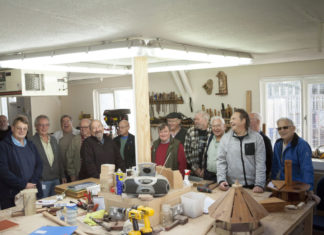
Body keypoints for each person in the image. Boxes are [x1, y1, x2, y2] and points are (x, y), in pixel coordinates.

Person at [217, 109, 266, 193]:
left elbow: (260, 163)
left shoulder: (257, 138)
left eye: (234, 118)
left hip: (252, 187)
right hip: (232, 186)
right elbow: (221, 161)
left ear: (243, 120)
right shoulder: (225, 139)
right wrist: (221, 180)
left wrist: (259, 184)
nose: (231, 121)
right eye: (231, 119)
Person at [0, 115, 43, 209]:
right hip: (12, 195)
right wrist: (23, 184)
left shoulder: (31, 145)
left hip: (32, 191)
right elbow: (3, 171)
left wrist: (32, 182)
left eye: (25, 128)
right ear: (12, 128)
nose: (22, 131)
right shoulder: (3, 146)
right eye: (19, 128)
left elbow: (39, 164)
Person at [271, 117, 314, 190]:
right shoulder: (278, 144)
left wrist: (308, 190)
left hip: (298, 188)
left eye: (285, 127)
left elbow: (307, 169)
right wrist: (273, 183)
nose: (282, 130)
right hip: (282, 186)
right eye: (279, 128)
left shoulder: (302, 145)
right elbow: (275, 166)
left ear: (293, 128)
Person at [31, 115, 66, 197]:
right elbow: (30, 164)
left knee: (56, 204)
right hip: (42, 180)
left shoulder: (53, 139)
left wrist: (63, 175)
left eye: (46, 125)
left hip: (56, 179)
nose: (44, 127)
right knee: (43, 205)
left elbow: (59, 159)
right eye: (41, 125)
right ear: (36, 126)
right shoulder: (31, 141)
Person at [184, 111, 211, 177]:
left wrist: (205, 169)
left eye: (197, 119)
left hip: (210, 172)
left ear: (206, 120)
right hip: (194, 172)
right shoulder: (190, 131)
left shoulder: (213, 131)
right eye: (194, 119)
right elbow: (187, 151)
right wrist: (195, 169)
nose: (195, 121)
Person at [53, 115, 79, 180]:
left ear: (72, 123)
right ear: (61, 124)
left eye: (68, 121)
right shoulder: (56, 135)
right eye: (63, 121)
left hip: (76, 169)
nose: (65, 123)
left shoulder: (79, 133)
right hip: (62, 170)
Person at [249, 112, 273, 182]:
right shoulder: (247, 138)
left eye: (249, 119)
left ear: (258, 121)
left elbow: (269, 162)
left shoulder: (265, 140)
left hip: (259, 179)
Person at [202, 116, 226, 181]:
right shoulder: (210, 138)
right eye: (213, 126)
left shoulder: (228, 140)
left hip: (223, 177)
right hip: (208, 176)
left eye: (218, 126)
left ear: (224, 126)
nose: (216, 128)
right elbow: (206, 156)